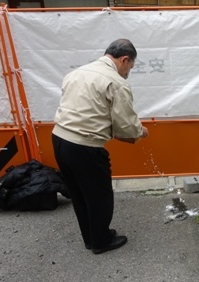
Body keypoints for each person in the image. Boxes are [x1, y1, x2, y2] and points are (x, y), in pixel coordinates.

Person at [52, 39, 149, 254]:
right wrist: (139, 131)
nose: (127, 73)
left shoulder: (77, 72)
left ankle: (91, 237)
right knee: (99, 196)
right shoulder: (116, 82)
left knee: (79, 194)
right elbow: (125, 125)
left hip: (59, 138)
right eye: (130, 67)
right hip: (84, 145)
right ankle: (101, 241)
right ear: (124, 59)